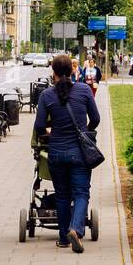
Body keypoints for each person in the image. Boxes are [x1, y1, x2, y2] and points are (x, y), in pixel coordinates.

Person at [33, 54, 100, 253]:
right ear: (72, 71)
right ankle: (76, 230)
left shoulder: (46, 95)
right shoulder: (84, 90)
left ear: (53, 72)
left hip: (56, 152)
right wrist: (83, 131)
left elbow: (39, 126)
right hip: (80, 152)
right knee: (81, 193)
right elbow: (95, 118)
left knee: (62, 195)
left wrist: (49, 131)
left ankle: (63, 238)